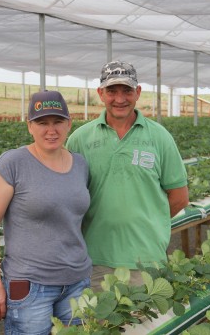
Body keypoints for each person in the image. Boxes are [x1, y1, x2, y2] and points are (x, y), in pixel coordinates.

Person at [66, 60, 189, 288]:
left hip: (144, 261)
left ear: (138, 92)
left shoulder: (160, 137)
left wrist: (149, 222)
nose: (120, 99)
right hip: (94, 261)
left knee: (145, 323)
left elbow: (180, 196)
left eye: (127, 91)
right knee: (97, 321)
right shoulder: (80, 140)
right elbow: (68, 197)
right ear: (100, 94)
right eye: (112, 91)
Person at [0, 90, 92, 334]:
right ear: (30, 126)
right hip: (31, 287)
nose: (51, 130)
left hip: (77, 282)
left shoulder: (80, 164)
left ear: (69, 123)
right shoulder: (11, 164)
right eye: (42, 122)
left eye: (58, 122)